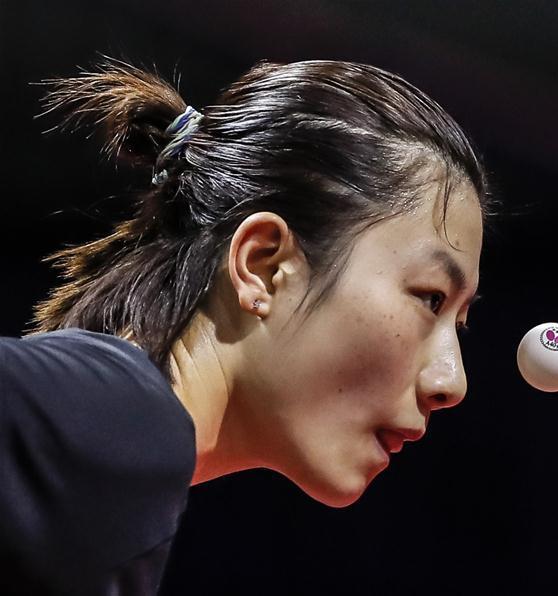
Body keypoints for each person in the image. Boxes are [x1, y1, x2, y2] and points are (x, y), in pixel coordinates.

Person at [0, 57, 495, 594]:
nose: (451, 382)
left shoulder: (123, 461)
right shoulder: (120, 421)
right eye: (429, 299)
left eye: (459, 322)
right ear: (263, 266)